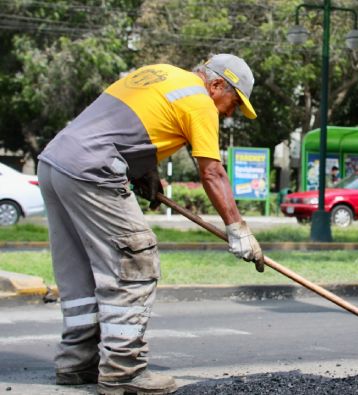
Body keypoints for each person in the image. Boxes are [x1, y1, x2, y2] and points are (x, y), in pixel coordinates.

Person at [37, 54, 264, 394]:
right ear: (217, 85)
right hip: (92, 171)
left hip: (54, 165)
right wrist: (238, 230)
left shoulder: (158, 73)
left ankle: (76, 363)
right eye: (232, 104)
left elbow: (130, 123)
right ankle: (123, 371)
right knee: (135, 260)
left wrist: (146, 172)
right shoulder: (200, 101)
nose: (228, 114)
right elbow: (212, 172)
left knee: (79, 271)